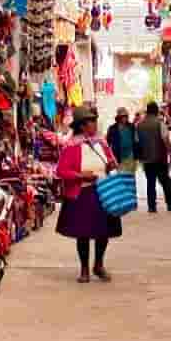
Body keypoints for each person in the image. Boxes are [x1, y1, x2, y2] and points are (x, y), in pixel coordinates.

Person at [56, 105, 122, 282]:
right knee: (83, 233)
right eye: (91, 121)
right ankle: (84, 268)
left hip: (103, 191)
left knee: (104, 232)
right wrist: (80, 175)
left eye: (95, 120)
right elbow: (61, 171)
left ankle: (98, 264)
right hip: (83, 193)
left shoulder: (101, 142)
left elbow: (111, 160)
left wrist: (111, 165)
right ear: (82, 125)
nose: (95, 124)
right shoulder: (70, 146)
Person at [134, 101, 171, 213]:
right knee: (165, 182)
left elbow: (137, 142)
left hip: (147, 158)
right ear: (156, 111)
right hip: (160, 158)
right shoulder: (160, 123)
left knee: (150, 182)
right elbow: (166, 140)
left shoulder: (139, 125)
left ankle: (151, 206)